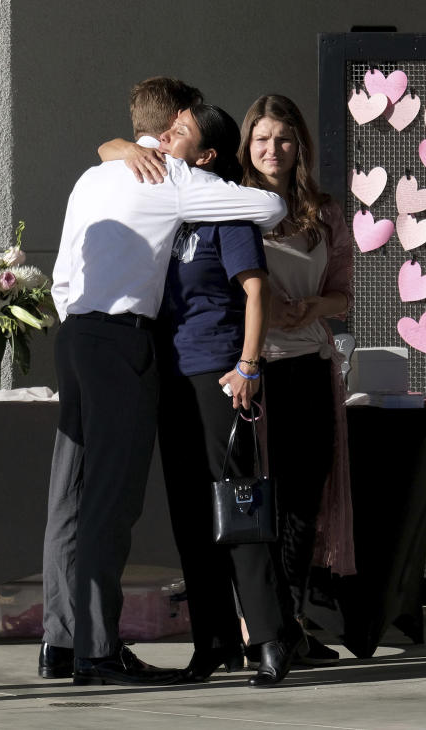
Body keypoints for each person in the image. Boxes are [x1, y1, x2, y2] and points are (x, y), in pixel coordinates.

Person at [41, 78, 287, 686]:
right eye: (171, 130)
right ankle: (106, 651)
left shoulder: (110, 177)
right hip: (128, 347)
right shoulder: (163, 179)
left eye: (183, 132)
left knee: (82, 497)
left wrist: (118, 149)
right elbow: (270, 208)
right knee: (121, 502)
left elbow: (63, 274)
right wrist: (131, 152)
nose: (169, 140)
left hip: (109, 343)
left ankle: (70, 642)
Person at [154, 103, 301, 687]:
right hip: (171, 377)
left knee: (237, 509)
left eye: (179, 132)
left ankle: (270, 637)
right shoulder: (165, 208)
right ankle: (211, 641)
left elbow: (256, 293)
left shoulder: (228, 213)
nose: (165, 139)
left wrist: (248, 365)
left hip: (220, 373)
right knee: (191, 515)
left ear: (207, 155)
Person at [237, 94, 355, 666]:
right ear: (246, 143)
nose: (272, 150)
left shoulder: (325, 211)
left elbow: (344, 291)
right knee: (262, 499)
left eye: (283, 139)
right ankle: (265, 624)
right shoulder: (230, 202)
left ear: (299, 145)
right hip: (254, 371)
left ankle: (291, 618)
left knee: (305, 502)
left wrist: (311, 308)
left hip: (309, 365)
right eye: (262, 138)